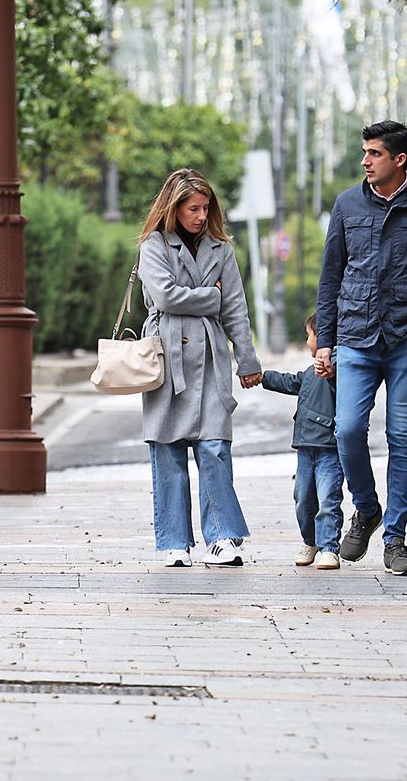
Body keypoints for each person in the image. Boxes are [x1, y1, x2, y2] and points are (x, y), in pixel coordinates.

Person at [315, 119, 407, 576]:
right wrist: (326, 340)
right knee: (346, 430)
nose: (365, 161)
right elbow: (331, 276)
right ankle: (367, 508)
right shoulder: (346, 204)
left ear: (400, 159)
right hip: (356, 337)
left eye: (374, 154)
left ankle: (396, 539)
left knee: (403, 439)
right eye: (364, 153)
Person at [137, 169, 265, 568]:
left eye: (205, 207)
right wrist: (211, 296)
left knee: (214, 448)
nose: (200, 215)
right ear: (173, 209)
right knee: (168, 449)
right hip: (167, 357)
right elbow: (165, 296)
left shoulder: (221, 249)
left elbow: (237, 309)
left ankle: (223, 538)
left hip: (211, 359)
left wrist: (247, 359)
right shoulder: (153, 246)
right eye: (192, 208)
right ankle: (173, 542)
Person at [261, 313, 343, 570]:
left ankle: (329, 547)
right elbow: (290, 381)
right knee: (303, 498)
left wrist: (330, 372)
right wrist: (262, 377)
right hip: (305, 448)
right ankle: (311, 541)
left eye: (309, 335)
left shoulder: (340, 368)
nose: (307, 341)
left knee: (328, 498)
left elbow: (340, 387)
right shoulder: (309, 372)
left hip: (329, 448)